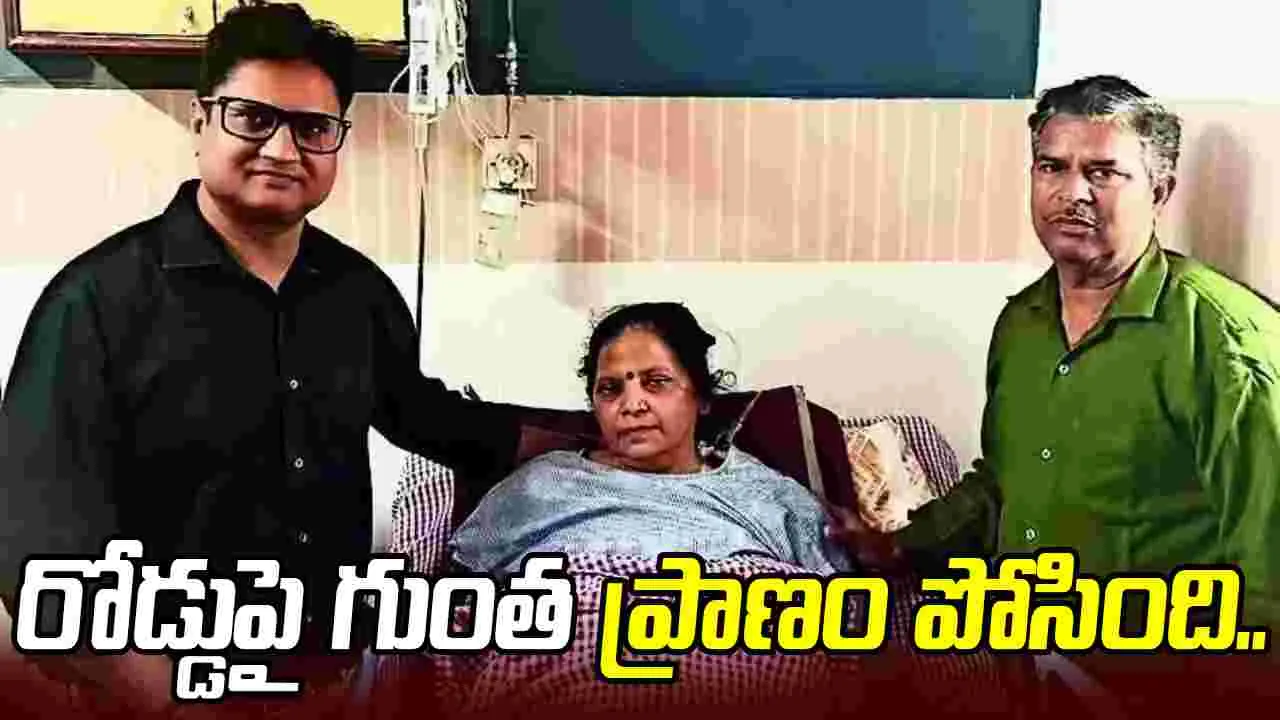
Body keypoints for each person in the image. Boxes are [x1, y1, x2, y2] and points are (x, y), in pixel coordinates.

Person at [0, 4, 578, 718]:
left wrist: (598, 440)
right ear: (201, 122)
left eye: (312, 128)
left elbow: (429, 417)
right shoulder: (96, 301)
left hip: (328, 677)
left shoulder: (357, 292)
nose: (281, 149)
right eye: (252, 118)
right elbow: (38, 543)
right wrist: (165, 697)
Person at [850, 75, 1280, 714]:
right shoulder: (1022, 325)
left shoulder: (1221, 342)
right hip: (1022, 665)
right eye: (1052, 166)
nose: (1073, 192)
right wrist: (895, 546)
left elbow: (1270, 569)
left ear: (1159, 192)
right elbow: (1004, 482)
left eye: (1104, 173)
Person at [450, 301, 851, 578]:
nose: (631, 405)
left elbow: (844, 614)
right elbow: (463, 600)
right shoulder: (541, 485)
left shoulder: (766, 495)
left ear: (702, 397)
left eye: (656, 382)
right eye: (610, 390)